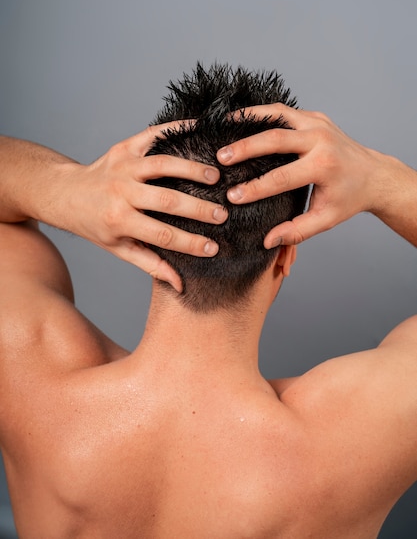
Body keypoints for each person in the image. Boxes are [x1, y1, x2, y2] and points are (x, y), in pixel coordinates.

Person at [0, 63, 416, 539]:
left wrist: (63, 185)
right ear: (285, 257)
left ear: (148, 237)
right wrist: (384, 180)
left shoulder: (32, 375)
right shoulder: (345, 443)